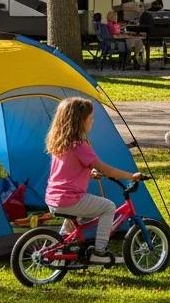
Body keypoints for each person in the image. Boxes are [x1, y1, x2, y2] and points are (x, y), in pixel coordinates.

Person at [44, 97, 143, 264]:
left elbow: (68, 170)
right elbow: (106, 169)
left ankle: (60, 249)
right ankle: (99, 251)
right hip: (70, 199)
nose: (92, 122)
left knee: (75, 218)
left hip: (53, 199)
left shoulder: (61, 144)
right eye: (90, 118)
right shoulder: (80, 145)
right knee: (108, 207)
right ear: (80, 121)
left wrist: (90, 173)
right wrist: (130, 175)